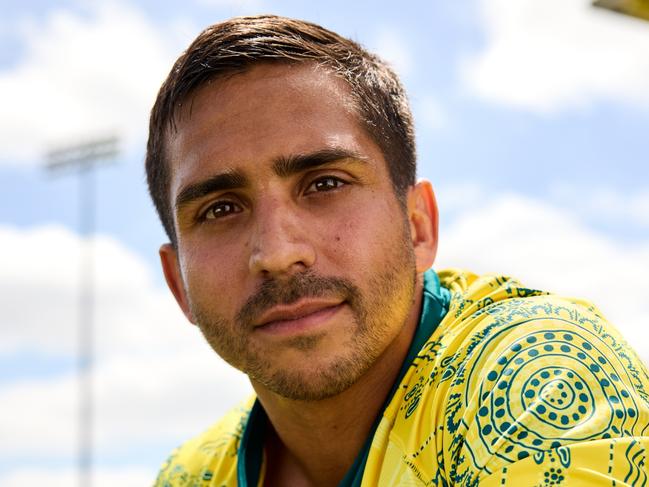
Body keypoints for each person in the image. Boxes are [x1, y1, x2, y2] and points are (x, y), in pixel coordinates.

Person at [146, 14, 649, 486]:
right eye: (219, 210)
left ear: (418, 226)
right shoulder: (191, 474)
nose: (278, 252)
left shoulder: (538, 376)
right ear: (178, 283)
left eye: (324, 183)